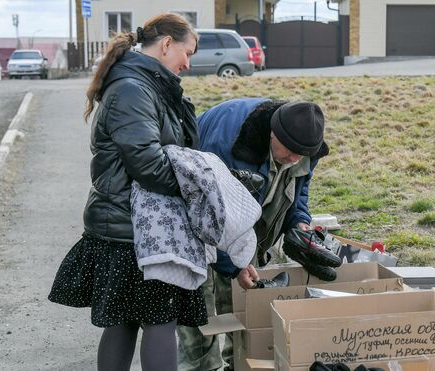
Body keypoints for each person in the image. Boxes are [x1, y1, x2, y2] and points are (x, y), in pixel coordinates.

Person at [48, 13, 202, 371]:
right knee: (158, 323)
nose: (188, 64)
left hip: (127, 225)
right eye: (187, 52)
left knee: (125, 321)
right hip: (134, 230)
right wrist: (195, 189)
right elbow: (147, 164)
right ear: (166, 44)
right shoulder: (134, 89)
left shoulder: (144, 85)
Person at [177, 98, 329, 371]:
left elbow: (299, 189)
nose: (295, 159)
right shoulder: (229, 144)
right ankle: (201, 366)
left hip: (241, 220)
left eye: (302, 155)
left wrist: (300, 223)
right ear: (273, 133)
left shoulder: (305, 147)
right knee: (199, 298)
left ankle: (238, 363)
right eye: (290, 151)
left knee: (241, 295)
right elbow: (206, 212)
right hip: (193, 213)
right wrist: (232, 264)